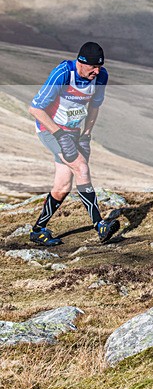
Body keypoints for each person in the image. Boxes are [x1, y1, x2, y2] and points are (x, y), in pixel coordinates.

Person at [27, 42, 119, 246]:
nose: (97, 71)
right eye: (93, 67)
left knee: (62, 186)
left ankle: (38, 230)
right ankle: (100, 225)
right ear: (81, 62)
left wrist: (86, 135)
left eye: (100, 67)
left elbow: (94, 106)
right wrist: (59, 135)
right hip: (50, 130)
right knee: (81, 168)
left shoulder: (100, 77)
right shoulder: (63, 74)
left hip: (74, 132)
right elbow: (35, 109)